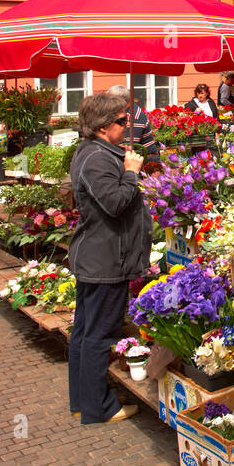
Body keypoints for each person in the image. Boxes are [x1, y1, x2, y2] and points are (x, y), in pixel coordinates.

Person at [67, 93, 150, 424]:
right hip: (105, 261)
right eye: (121, 121)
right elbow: (114, 203)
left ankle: (83, 400)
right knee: (99, 335)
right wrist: (130, 172)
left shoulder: (95, 152)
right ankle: (98, 407)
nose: (126, 126)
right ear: (103, 128)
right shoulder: (97, 158)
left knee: (86, 333)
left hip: (99, 257)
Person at [106, 85, 158, 155]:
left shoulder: (134, 116)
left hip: (146, 160)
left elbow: (129, 145)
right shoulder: (124, 112)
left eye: (111, 100)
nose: (108, 103)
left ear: (121, 100)